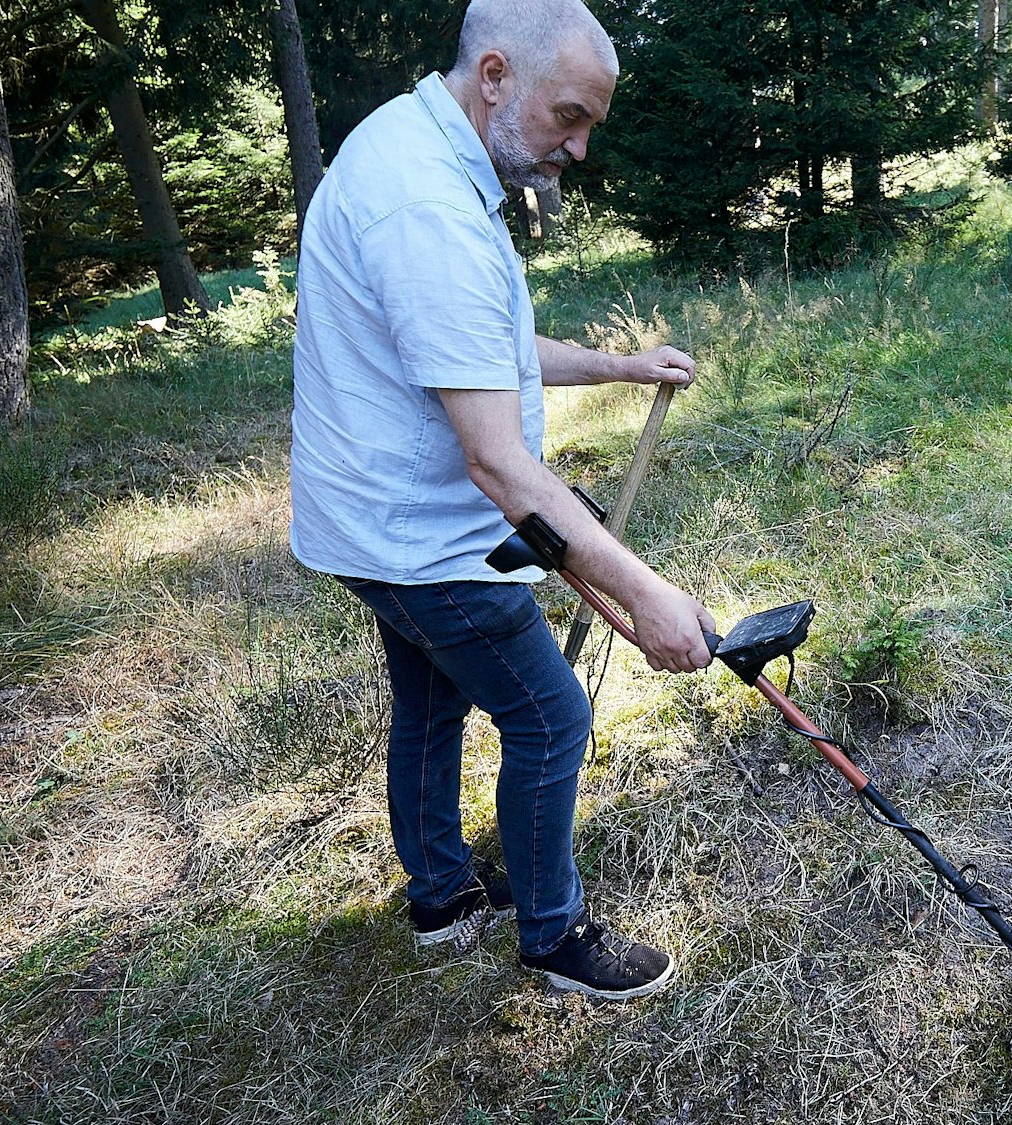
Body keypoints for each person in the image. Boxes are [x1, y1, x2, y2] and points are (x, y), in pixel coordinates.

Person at [287, 0, 715, 1001]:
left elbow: (471, 349)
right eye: (568, 116)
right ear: (494, 75)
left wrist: (617, 365)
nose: (576, 145)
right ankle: (552, 934)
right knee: (551, 720)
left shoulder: (423, 147)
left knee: (431, 703)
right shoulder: (424, 205)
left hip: (372, 523)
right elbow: (498, 466)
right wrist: (646, 594)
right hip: (417, 537)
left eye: (588, 126)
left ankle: (440, 896)